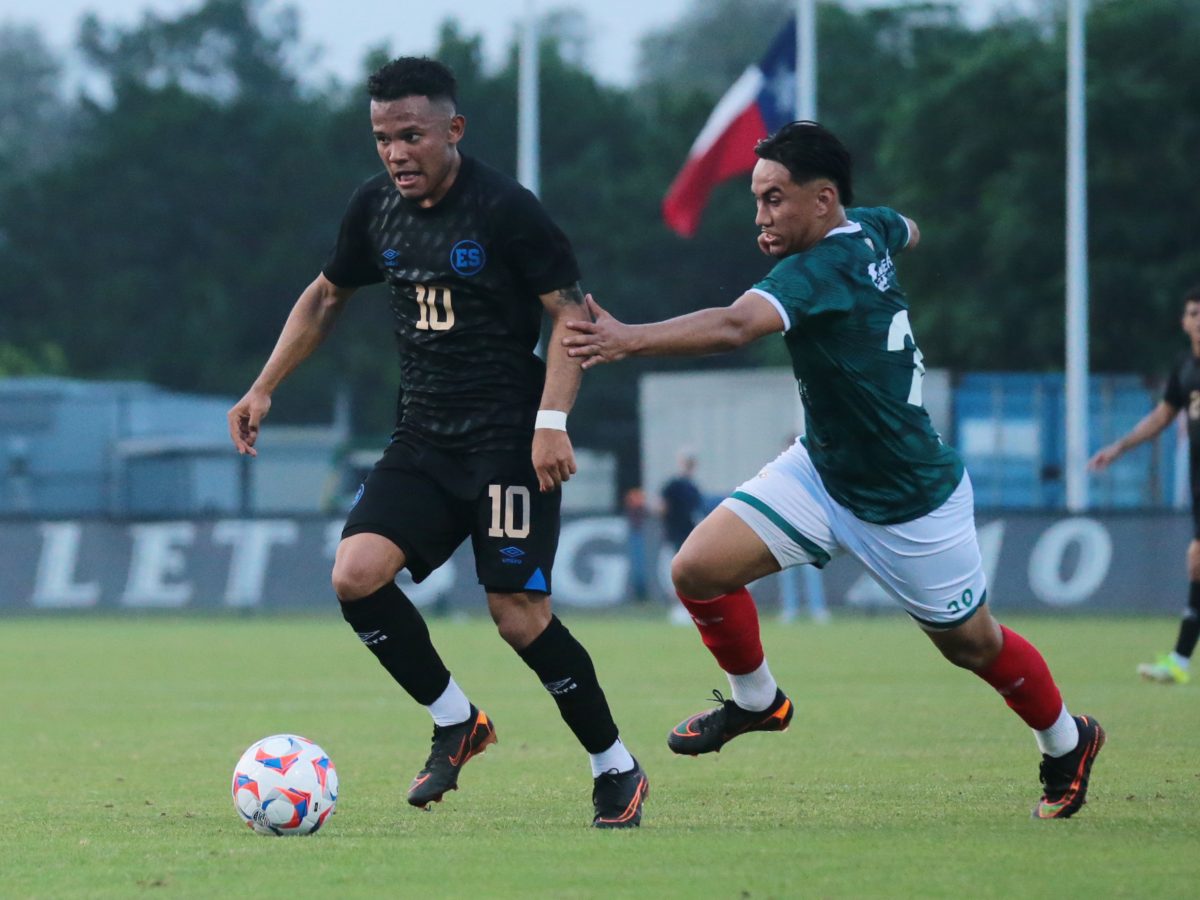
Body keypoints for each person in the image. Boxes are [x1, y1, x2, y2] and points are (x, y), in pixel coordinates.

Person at [564, 120, 1103, 819]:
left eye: (775, 199)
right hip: (821, 473)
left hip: (910, 500)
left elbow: (734, 326)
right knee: (696, 570)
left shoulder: (820, 268)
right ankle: (759, 703)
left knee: (973, 645)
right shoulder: (866, 229)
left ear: (822, 201)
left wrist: (626, 339)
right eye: (757, 198)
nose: (761, 215)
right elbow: (905, 226)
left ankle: (1067, 740)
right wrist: (902, 236)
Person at [227, 57, 647, 828]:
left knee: (517, 614)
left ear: (452, 130)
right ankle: (458, 720)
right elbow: (327, 296)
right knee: (355, 575)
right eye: (383, 137)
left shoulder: (505, 210)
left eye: (411, 135)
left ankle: (614, 766)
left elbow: (574, 318)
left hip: (506, 445)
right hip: (422, 437)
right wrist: (264, 386)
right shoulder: (374, 207)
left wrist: (551, 422)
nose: (395, 153)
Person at [1088, 284, 1200, 686]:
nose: (1199, 320)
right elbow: (1161, 418)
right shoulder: (1185, 368)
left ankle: (1179, 661)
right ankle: (1179, 662)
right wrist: (1118, 448)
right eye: (1193, 313)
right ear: (1184, 321)